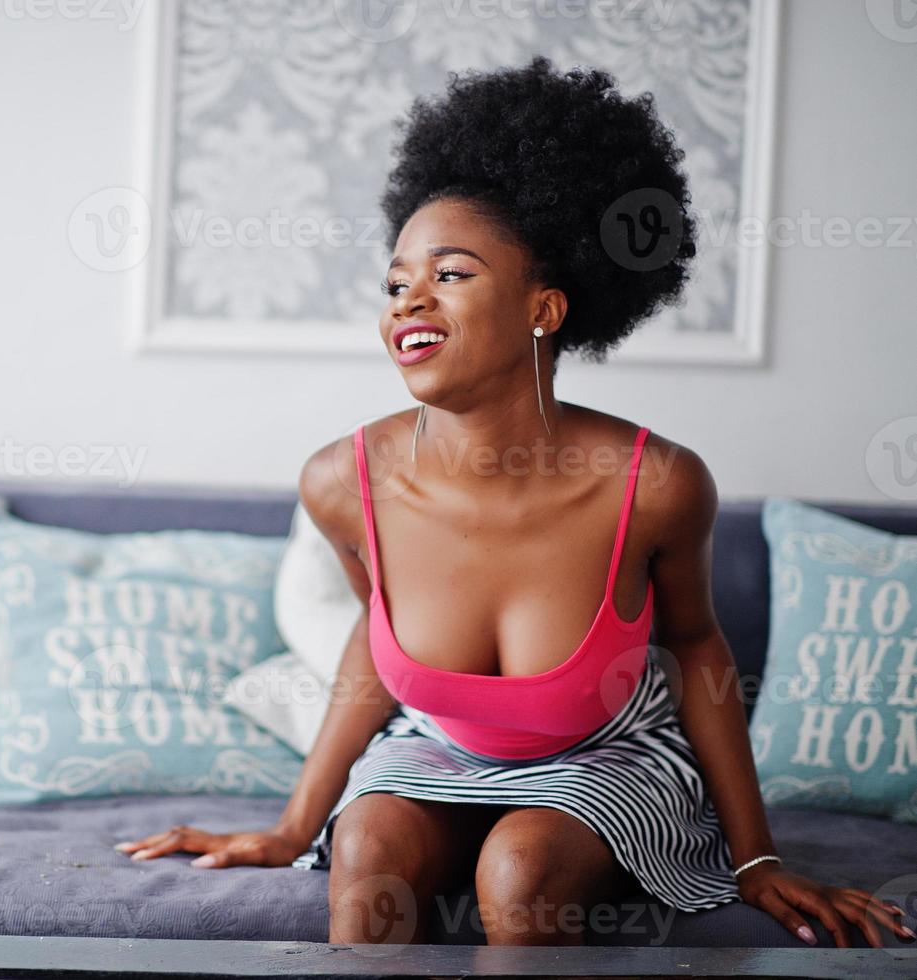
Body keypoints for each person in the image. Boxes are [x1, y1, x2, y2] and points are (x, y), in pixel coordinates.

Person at [113, 57, 912, 949]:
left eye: (450, 274)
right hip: (437, 752)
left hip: (610, 755)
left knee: (518, 868)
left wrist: (756, 857)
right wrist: (296, 826)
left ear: (544, 307)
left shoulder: (654, 482)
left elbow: (693, 647)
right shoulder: (343, 481)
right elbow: (374, 640)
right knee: (369, 845)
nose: (408, 298)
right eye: (394, 282)